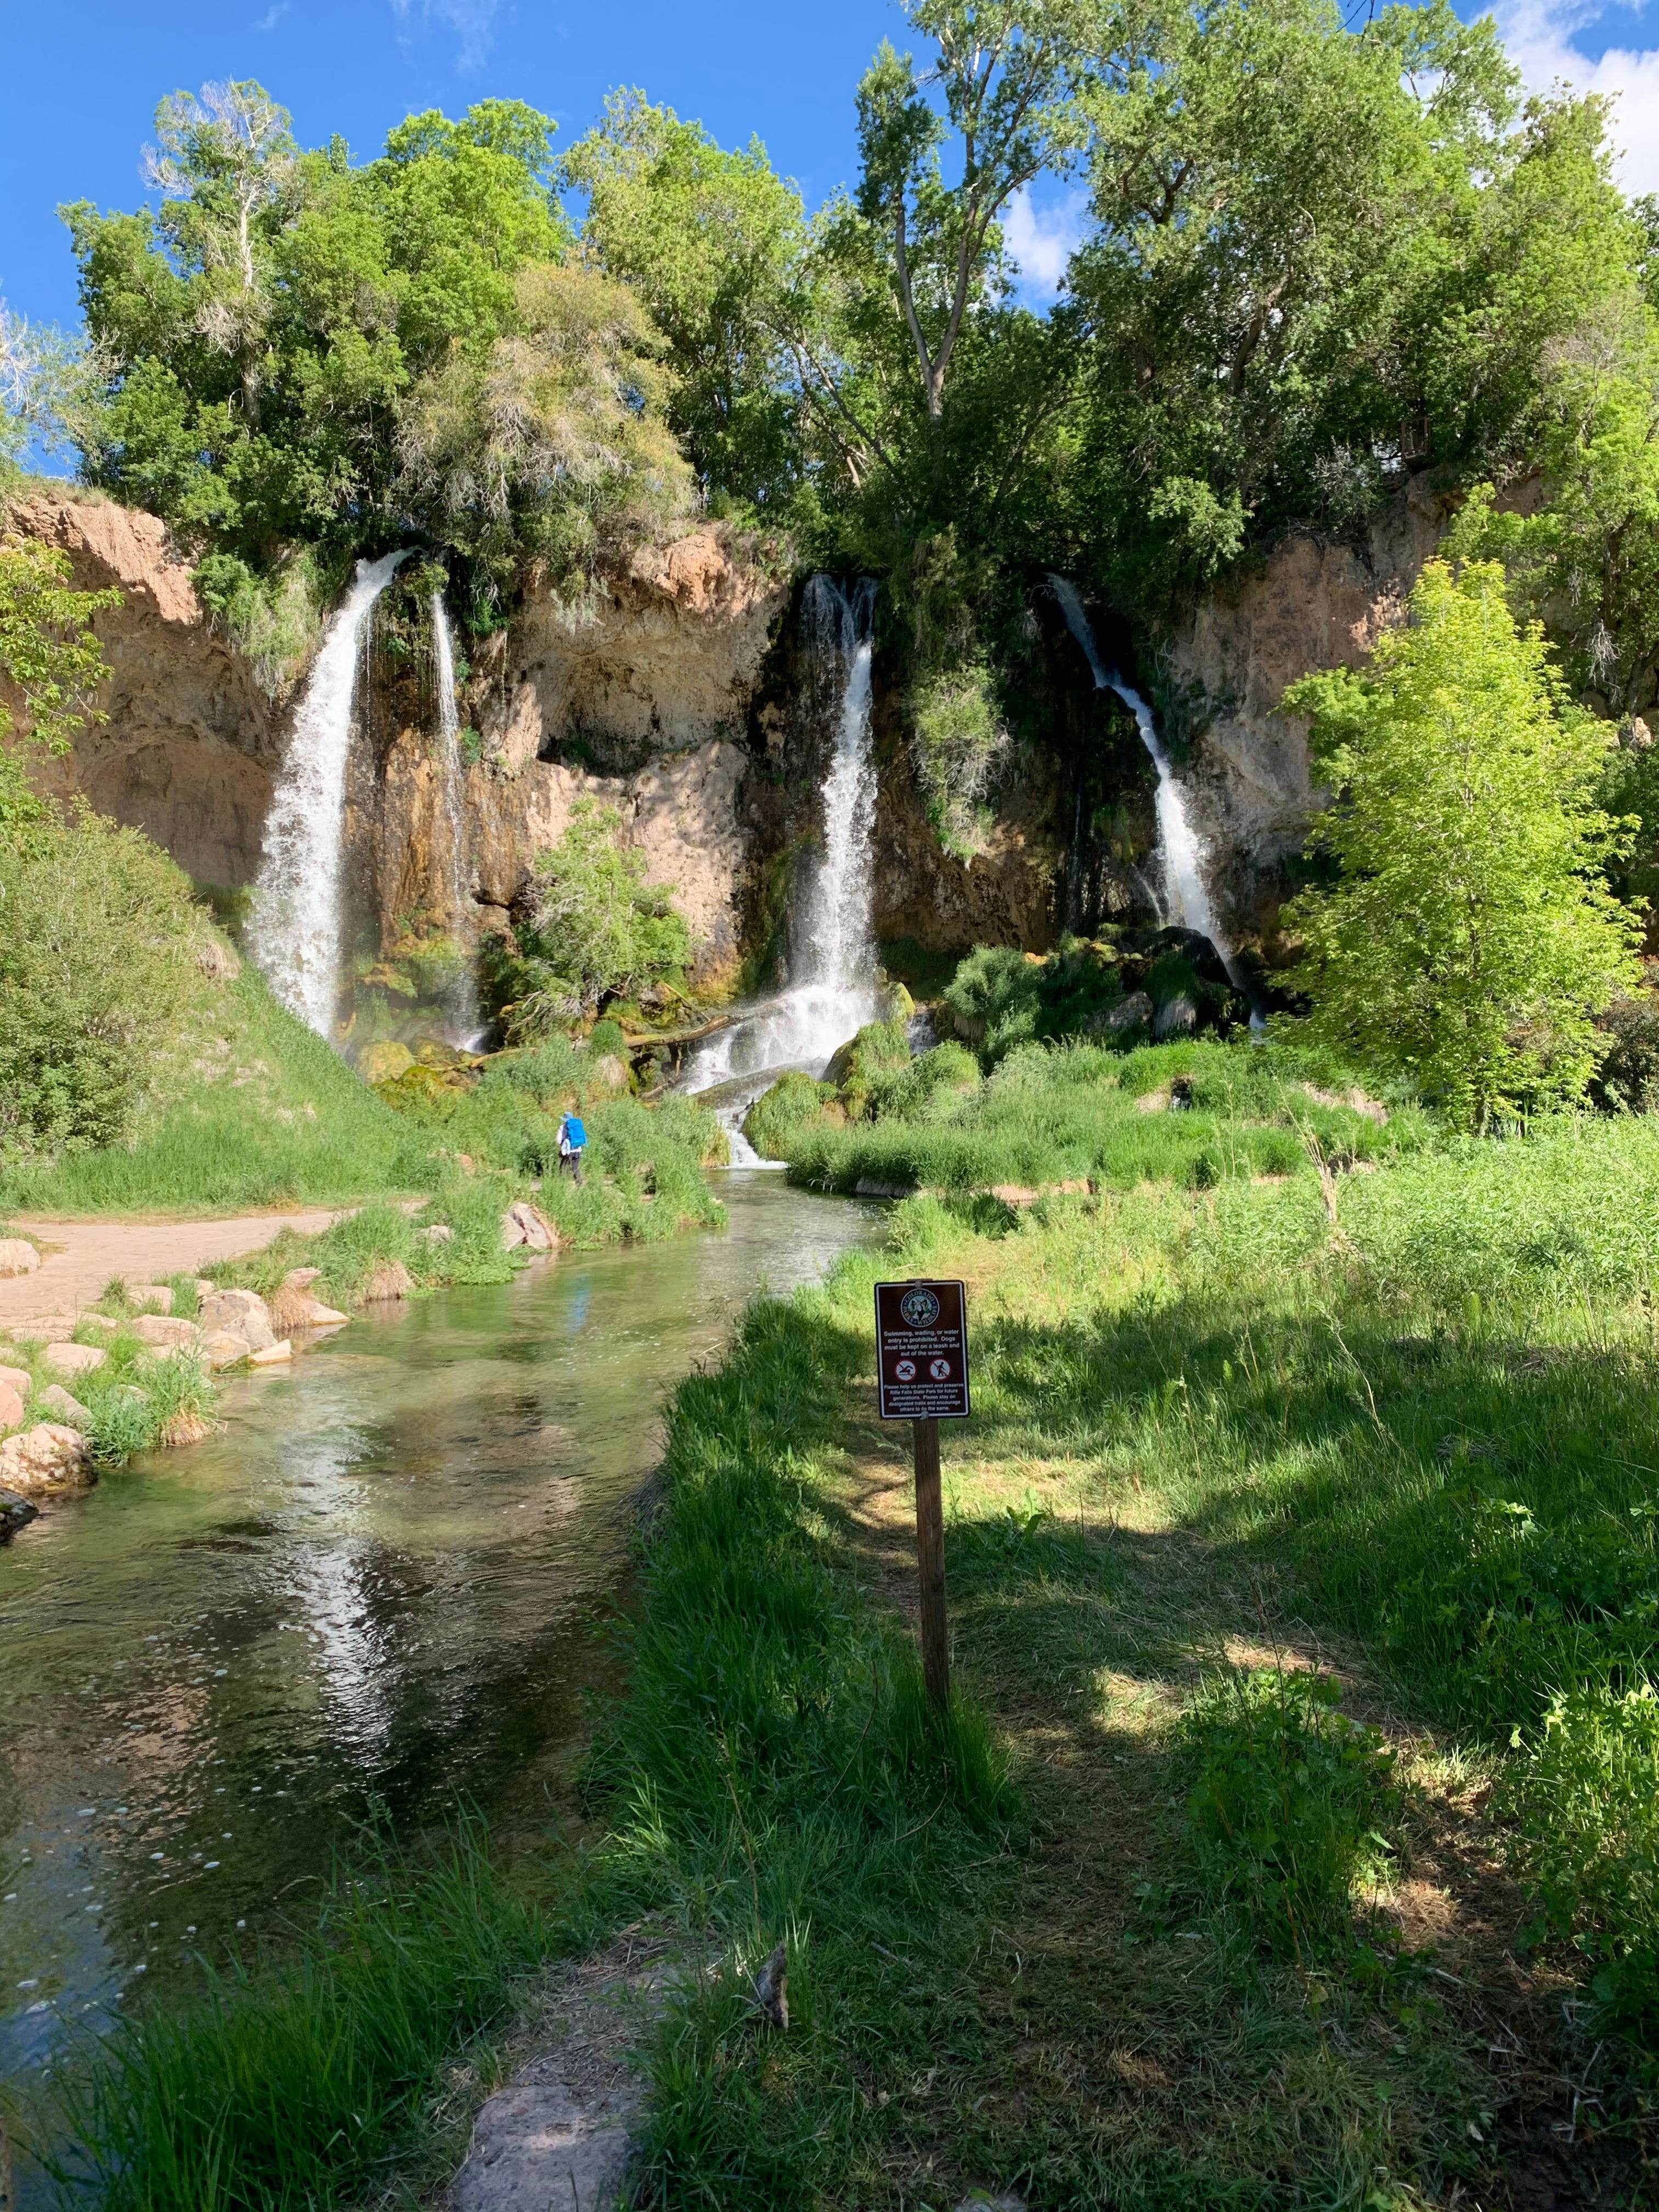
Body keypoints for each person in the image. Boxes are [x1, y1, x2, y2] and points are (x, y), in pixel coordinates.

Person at [557, 1112, 587, 1184]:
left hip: (568, 1152)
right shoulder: (577, 1126)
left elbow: (558, 1141)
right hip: (578, 1150)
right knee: (575, 1168)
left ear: (564, 1119)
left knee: (563, 1167)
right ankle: (579, 1183)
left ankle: (562, 1184)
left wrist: (562, 1147)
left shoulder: (562, 1127)